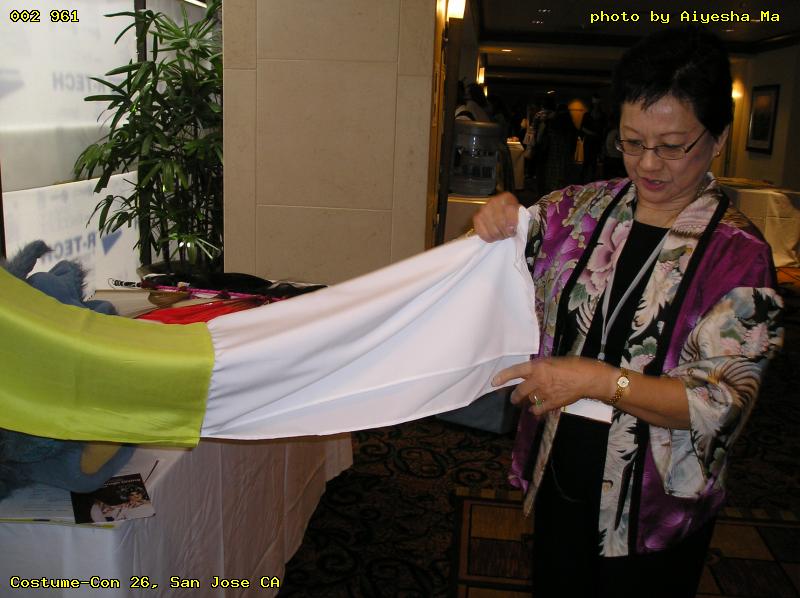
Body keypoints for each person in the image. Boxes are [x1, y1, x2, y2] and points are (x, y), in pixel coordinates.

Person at [472, 26, 783, 598]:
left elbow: (717, 403)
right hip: (561, 457)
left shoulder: (739, 255)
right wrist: (498, 215)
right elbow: (498, 261)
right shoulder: (581, 210)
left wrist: (596, 379)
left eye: (672, 146)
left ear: (717, 137)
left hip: (656, 495)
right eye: (633, 142)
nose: (648, 164)